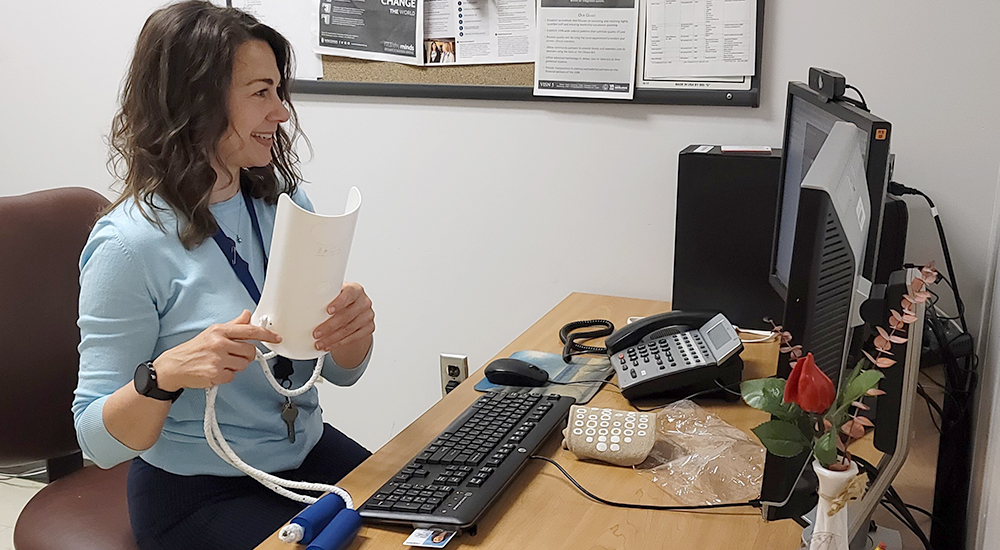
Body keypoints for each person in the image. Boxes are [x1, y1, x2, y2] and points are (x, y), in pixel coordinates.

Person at [71, 3, 375, 550]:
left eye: (279, 92)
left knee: (433, 517)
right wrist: (164, 376)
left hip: (302, 458)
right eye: (261, 93)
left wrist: (352, 337)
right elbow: (97, 442)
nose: (282, 113)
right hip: (196, 494)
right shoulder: (127, 245)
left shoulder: (284, 204)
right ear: (195, 102)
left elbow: (335, 373)